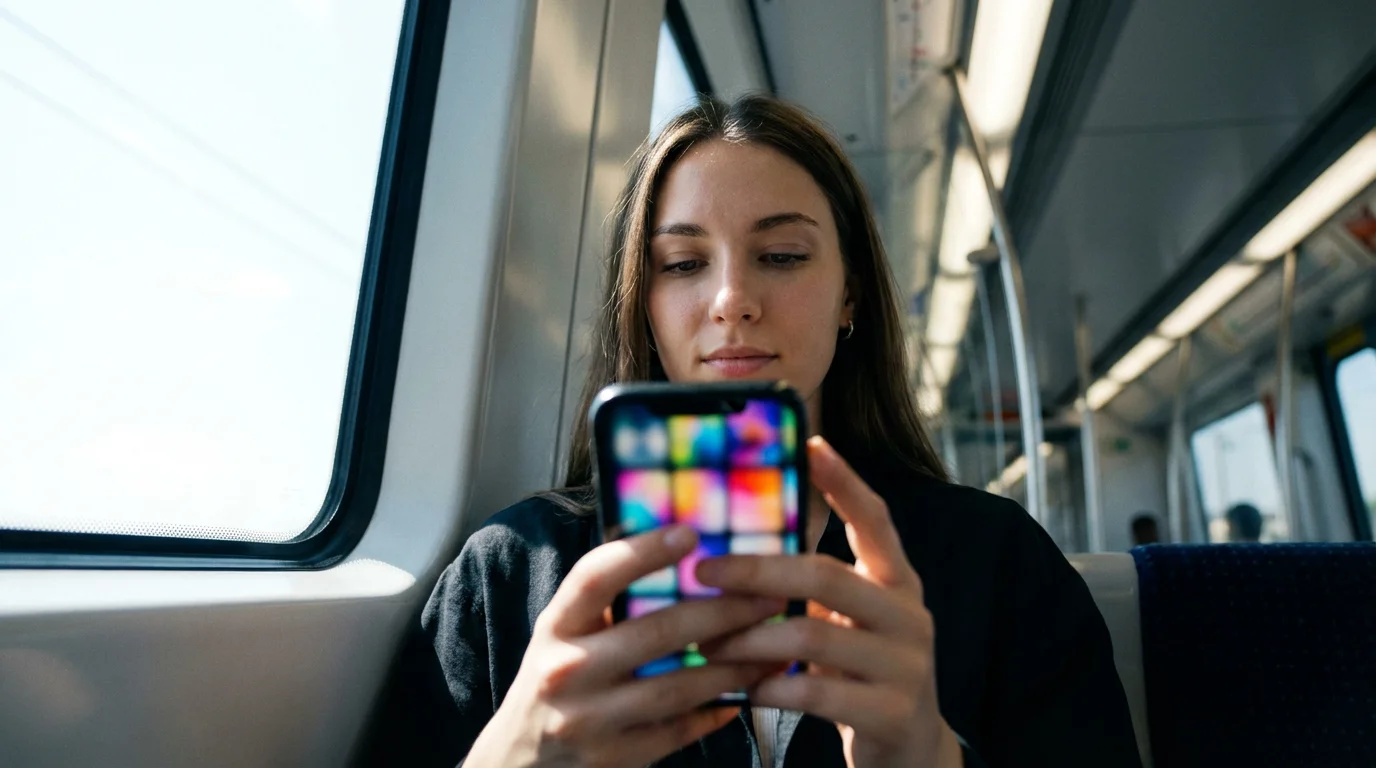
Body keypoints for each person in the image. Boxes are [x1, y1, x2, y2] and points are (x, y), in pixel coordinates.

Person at [419, 95, 1141, 767]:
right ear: (643, 302)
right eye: (682, 264)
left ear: (850, 291)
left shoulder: (999, 561)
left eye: (783, 256)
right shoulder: (508, 571)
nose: (732, 299)